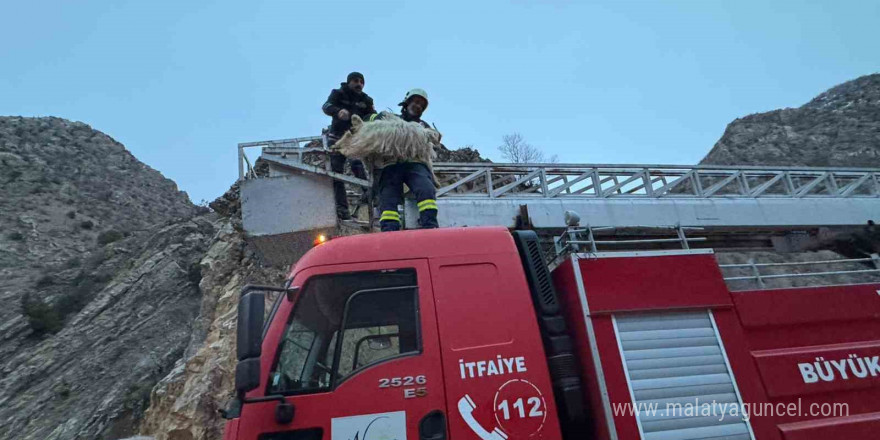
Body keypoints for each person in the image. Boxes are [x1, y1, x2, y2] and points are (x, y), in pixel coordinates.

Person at [369, 88, 440, 232]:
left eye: (421, 104)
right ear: (406, 103)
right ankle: (389, 230)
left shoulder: (423, 126)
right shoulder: (390, 119)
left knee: (426, 189)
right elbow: (370, 121)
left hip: (415, 163)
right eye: (415, 102)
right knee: (388, 196)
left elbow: (434, 140)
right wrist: (375, 118)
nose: (418, 106)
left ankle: (430, 226)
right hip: (391, 163)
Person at [322, 72, 376, 220]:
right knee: (337, 173)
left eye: (361, 82)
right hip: (337, 139)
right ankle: (342, 208)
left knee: (357, 163)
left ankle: (367, 193)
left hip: (354, 139)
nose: (359, 84)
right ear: (349, 82)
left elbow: (372, 116)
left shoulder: (366, 100)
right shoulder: (338, 93)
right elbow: (326, 106)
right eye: (355, 81)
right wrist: (337, 111)